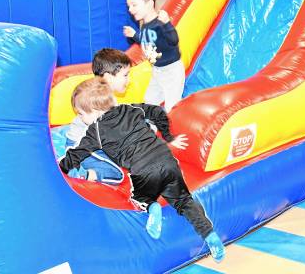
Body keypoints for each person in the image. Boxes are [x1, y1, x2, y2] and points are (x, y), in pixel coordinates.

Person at [58, 78, 225, 262]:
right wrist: (164, 134)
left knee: (138, 197)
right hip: (167, 160)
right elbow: (157, 111)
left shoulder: (96, 130)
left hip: (144, 171)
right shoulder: (130, 108)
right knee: (184, 200)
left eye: (81, 114)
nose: (81, 119)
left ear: (94, 111)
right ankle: (210, 236)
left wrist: (60, 168)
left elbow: (77, 154)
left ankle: (151, 206)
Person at [54, 48, 133, 183]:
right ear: (108, 77)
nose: (129, 79)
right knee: (117, 175)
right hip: (84, 146)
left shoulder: (99, 95)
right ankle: (85, 174)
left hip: (80, 142)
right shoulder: (97, 99)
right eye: (125, 75)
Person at [123, 0, 185, 112]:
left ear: (150, 4)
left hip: (171, 71)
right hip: (157, 71)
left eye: (134, 5)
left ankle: (171, 130)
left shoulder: (160, 23)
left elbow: (174, 41)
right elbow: (146, 41)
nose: (130, 9)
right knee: (150, 100)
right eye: (129, 6)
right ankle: (152, 128)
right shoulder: (145, 25)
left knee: (171, 106)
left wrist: (167, 24)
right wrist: (134, 35)